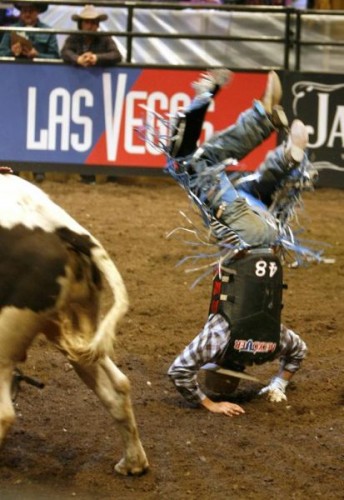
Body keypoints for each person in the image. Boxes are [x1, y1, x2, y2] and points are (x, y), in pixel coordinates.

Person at [163, 70, 312, 417]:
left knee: (238, 185)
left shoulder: (274, 340)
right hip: (245, 236)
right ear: (217, 363)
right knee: (186, 164)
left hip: (269, 237)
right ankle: (247, 112)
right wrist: (209, 403)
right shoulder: (219, 336)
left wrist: (278, 382)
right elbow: (179, 372)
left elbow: (299, 352)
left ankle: (285, 160)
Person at [61, 4, 123, 184]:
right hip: (78, 94)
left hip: (101, 94)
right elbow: (65, 52)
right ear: (81, 24)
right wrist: (77, 59)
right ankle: (87, 175)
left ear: (97, 24)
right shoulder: (74, 38)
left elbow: (116, 55)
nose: (90, 26)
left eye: (93, 22)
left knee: (103, 131)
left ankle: (111, 172)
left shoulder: (104, 39)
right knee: (82, 133)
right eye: (87, 22)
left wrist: (96, 58)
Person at [0, 2, 59, 183]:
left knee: (40, 126)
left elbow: (56, 56)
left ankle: (38, 168)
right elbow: (1, 52)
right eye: (24, 9)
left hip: (40, 85)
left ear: (37, 12)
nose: (27, 13)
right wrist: (12, 52)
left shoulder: (48, 31)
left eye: (31, 10)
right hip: (15, 85)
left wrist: (37, 54)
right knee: (15, 126)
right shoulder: (10, 30)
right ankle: (15, 167)